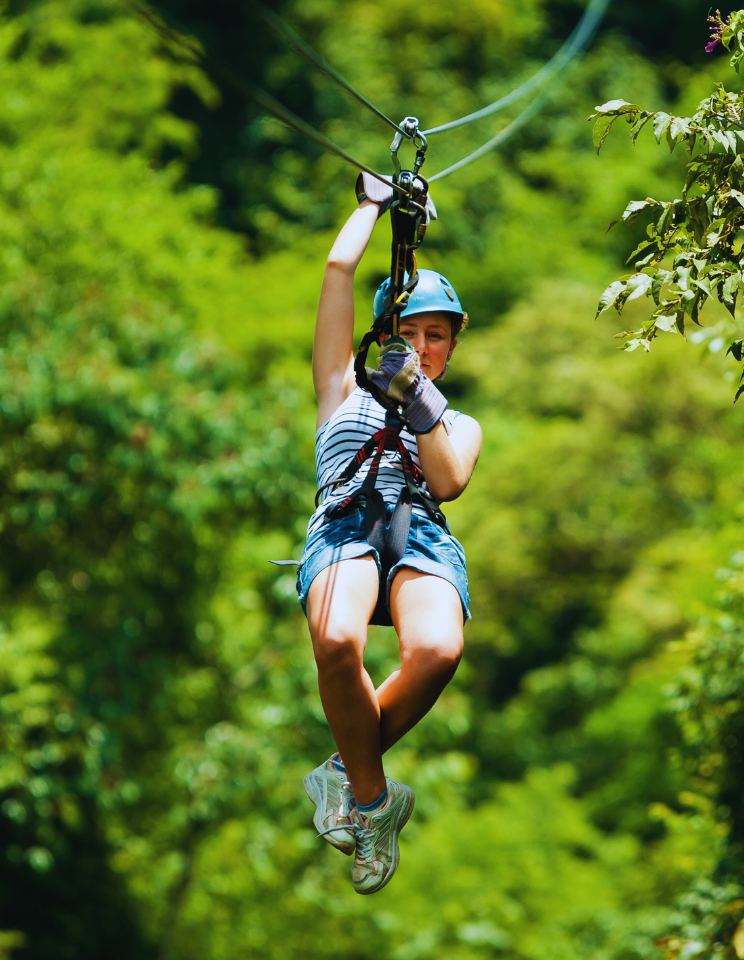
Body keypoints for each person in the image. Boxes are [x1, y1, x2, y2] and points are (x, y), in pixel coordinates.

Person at [297, 172, 482, 895]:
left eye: (436, 337)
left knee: (437, 648)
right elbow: (339, 270)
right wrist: (373, 206)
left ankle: (347, 771)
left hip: (421, 534)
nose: (422, 345)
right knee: (338, 642)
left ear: (451, 350)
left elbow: (448, 481)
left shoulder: (457, 421)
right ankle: (375, 802)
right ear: (382, 336)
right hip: (346, 520)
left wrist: (419, 400)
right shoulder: (339, 387)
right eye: (408, 333)